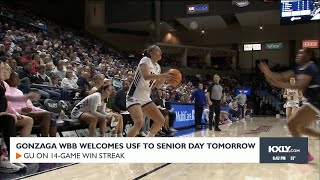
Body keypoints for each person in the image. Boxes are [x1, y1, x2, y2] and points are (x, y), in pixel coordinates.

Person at [259, 48, 320, 162]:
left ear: (308, 55)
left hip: (316, 100)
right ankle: (305, 153)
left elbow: (301, 84)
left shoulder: (311, 67)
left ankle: (304, 153)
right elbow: (281, 76)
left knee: (291, 124)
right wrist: (268, 73)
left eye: (301, 52)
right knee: (299, 128)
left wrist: (279, 84)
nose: (298, 54)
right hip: (312, 100)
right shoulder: (298, 69)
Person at [126, 45, 174, 137]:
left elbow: (158, 86)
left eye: (161, 51)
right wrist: (163, 75)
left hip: (145, 98)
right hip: (134, 96)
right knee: (139, 122)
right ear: (151, 53)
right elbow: (146, 76)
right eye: (158, 51)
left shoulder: (158, 67)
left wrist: (164, 78)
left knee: (160, 120)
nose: (161, 53)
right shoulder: (145, 60)